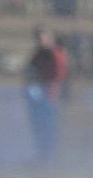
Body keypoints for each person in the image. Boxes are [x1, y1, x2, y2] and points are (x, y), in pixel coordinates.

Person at [24, 26, 68, 165]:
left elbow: (59, 74)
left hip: (51, 95)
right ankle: (42, 155)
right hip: (38, 96)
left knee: (50, 127)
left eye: (43, 37)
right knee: (39, 126)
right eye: (38, 38)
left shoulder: (56, 52)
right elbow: (30, 71)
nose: (40, 41)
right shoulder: (38, 54)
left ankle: (51, 157)